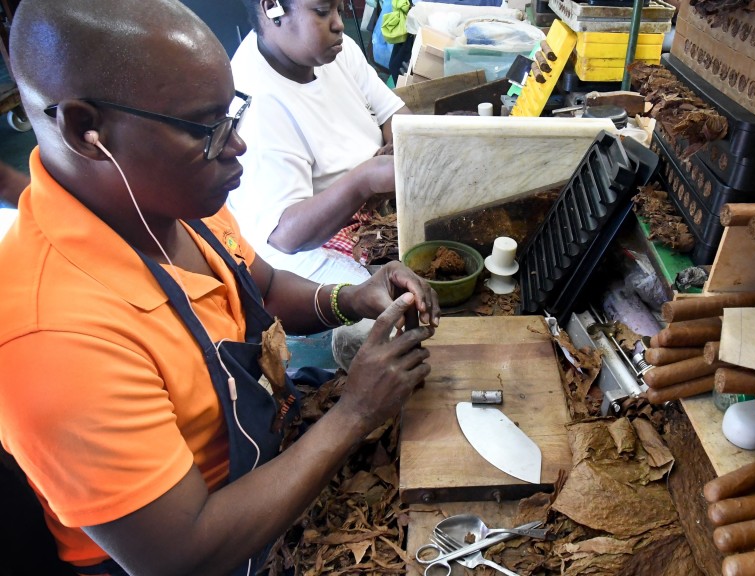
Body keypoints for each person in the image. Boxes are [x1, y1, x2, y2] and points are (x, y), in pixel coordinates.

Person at [0, 1, 439, 575]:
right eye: (206, 129)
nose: (237, 146)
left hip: (268, 454)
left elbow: (266, 289)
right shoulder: (54, 338)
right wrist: (353, 413)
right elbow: (183, 556)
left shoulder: (165, 199)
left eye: (231, 116)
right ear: (88, 130)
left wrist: (353, 299)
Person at [228, 0, 412, 286]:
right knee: (389, 300)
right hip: (305, 247)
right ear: (272, 8)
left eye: (339, 9)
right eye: (323, 12)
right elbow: (286, 236)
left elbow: (396, 116)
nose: (339, 23)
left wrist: (398, 146)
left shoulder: (336, 50)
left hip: (370, 205)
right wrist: (365, 180)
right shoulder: (258, 105)